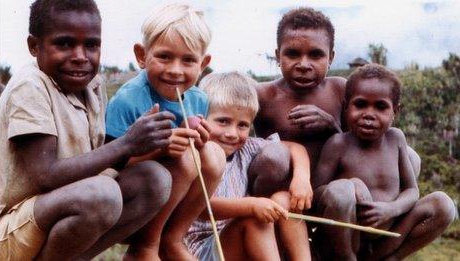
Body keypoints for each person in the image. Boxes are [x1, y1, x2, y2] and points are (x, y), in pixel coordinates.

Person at [0, 0, 174, 260]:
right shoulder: (30, 85)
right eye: (64, 44)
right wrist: (127, 143)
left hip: (53, 215)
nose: (80, 56)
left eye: (91, 45)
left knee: (155, 180)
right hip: (9, 231)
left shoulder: (91, 87)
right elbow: (45, 176)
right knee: (102, 194)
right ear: (35, 46)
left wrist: (155, 142)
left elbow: (99, 162)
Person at [105, 4, 225, 260]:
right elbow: (109, 165)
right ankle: (145, 246)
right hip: (129, 199)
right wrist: (160, 148)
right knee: (185, 157)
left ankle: (173, 238)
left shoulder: (198, 99)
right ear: (141, 55)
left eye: (188, 60)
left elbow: (201, 158)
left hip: (170, 198)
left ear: (203, 64)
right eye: (164, 57)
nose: (175, 70)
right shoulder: (128, 100)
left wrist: (201, 140)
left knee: (213, 153)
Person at [313, 64, 456, 260]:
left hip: (389, 233)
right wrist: (350, 186)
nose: (369, 114)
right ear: (346, 106)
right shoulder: (338, 144)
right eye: (360, 104)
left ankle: (391, 258)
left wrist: (391, 209)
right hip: (348, 237)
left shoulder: (396, 139)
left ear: (395, 111)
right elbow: (316, 196)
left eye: (381, 107)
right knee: (340, 190)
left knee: (444, 204)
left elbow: (412, 191)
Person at [186, 72, 313, 261]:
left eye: (242, 125)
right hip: (203, 250)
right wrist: (251, 206)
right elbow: (202, 208)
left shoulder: (246, 148)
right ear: (201, 117)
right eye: (223, 121)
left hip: (242, 241)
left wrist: (302, 178)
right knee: (253, 218)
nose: (232, 134)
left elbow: (295, 148)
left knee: (283, 199)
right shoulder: (194, 155)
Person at [254, 7, 346, 173]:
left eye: (315, 55)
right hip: (277, 192)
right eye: (293, 54)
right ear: (278, 56)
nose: (303, 65)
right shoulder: (262, 95)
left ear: (330, 57)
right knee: (276, 155)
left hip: (328, 189)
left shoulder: (339, 90)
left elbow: (359, 149)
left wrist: (331, 126)